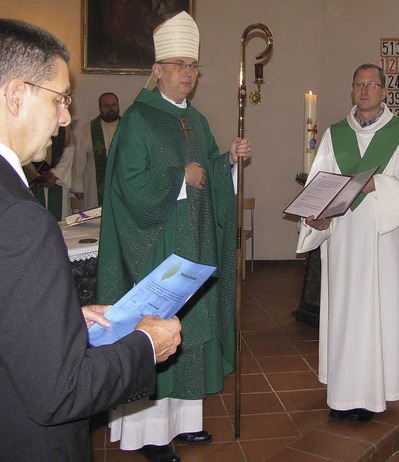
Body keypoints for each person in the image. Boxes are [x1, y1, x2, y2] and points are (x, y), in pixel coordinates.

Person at [0, 18, 182, 461]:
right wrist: (144, 346)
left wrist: (58, 319)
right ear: (15, 95)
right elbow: (59, 391)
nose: (66, 116)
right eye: (61, 98)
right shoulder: (23, 221)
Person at [97, 11, 251, 462]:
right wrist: (178, 177)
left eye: (193, 66)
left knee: (188, 333)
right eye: (179, 64)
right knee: (156, 333)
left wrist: (228, 163)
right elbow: (126, 186)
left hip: (193, 246)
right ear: (157, 70)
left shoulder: (197, 120)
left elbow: (208, 178)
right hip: (155, 250)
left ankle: (184, 423)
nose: (187, 73)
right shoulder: (138, 120)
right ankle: (147, 434)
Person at [296, 63, 399, 422]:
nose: (365, 90)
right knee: (345, 313)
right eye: (359, 84)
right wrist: (318, 217)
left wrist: (376, 185)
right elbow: (317, 186)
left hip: (386, 241)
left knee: (379, 312)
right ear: (352, 90)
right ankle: (343, 393)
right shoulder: (334, 135)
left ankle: (374, 393)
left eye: (372, 85)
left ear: (385, 92)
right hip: (344, 241)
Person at [72, 91, 121, 210]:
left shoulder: (128, 128)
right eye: (106, 106)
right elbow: (79, 159)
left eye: (114, 105)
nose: (111, 109)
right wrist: (78, 187)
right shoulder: (88, 130)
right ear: (100, 108)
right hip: (93, 186)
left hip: (120, 184)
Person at [23, 124, 75, 220]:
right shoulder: (26, 121)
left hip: (57, 182)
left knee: (60, 222)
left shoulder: (62, 125)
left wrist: (55, 174)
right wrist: (36, 176)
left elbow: (69, 150)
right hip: (35, 183)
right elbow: (22, 151)